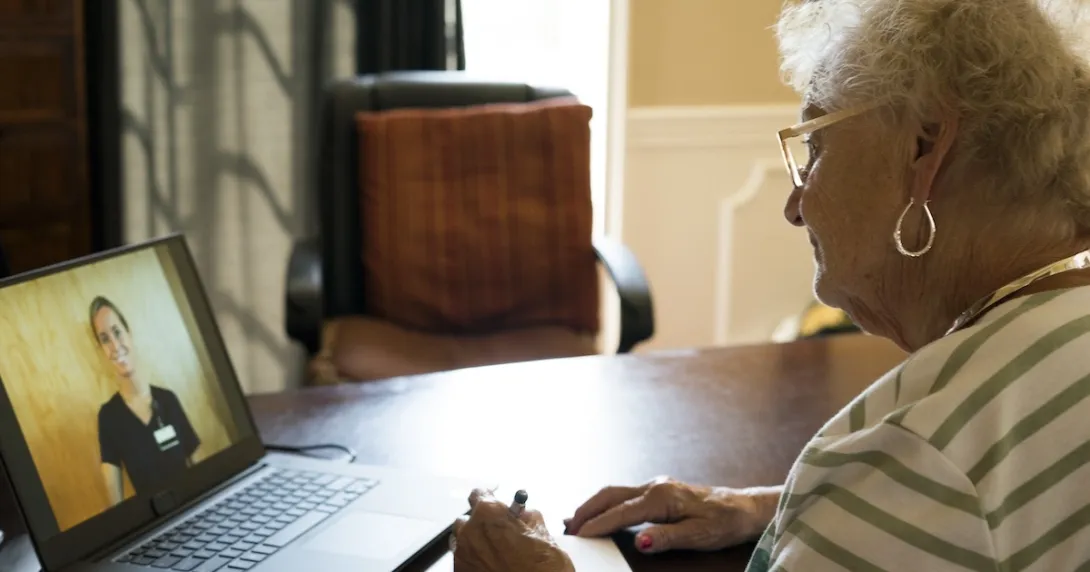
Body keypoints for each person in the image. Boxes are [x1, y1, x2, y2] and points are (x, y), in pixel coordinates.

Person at [448, 0, 1090, 569]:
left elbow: (949, 489)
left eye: (814, 147)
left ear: (926, 147)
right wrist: (782, 509)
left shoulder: (919, 455)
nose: (795, 204)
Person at [92, 296, 200, 505]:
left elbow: (198, 463)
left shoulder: (167, 400)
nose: (114, 346)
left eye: (117, 332)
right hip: (154, 523)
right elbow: (117, 507)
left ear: (129, 333)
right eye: (105, 339)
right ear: (101, 350)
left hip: (192, 508)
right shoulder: (108, 417)